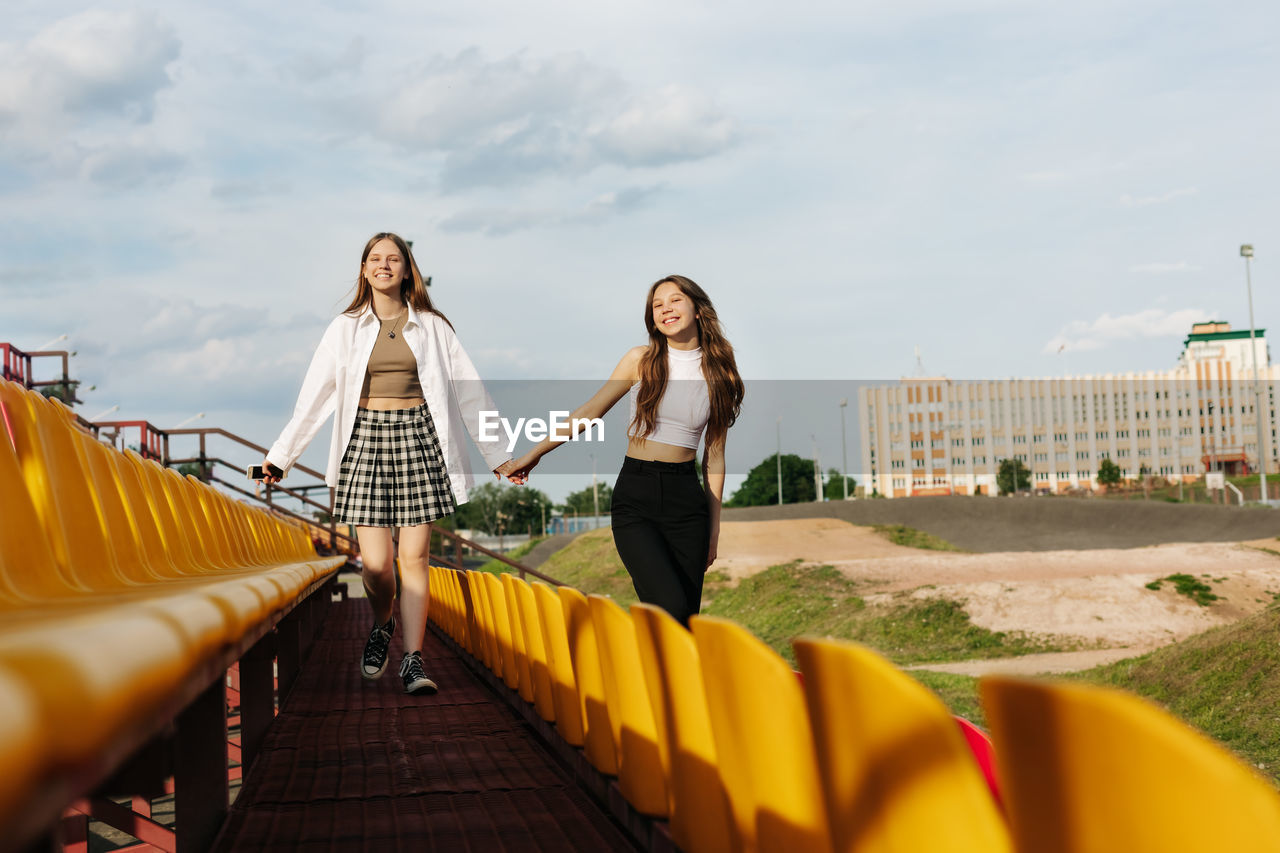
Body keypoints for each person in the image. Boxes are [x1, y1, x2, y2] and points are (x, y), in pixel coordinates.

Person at [262, 232, 514, 694]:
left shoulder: (434, 326)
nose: (384, 265)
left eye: (393, 259)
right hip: (364, 439)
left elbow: (470, 391)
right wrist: (281, 457)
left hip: (420, 438)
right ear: (364, 270)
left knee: (414, 557)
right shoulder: (344, 328)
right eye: (375, 259)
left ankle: (414, 660)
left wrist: (499, 455)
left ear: (406, 269)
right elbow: (315, 396)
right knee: (377, 566)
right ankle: (383, 624)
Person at [507, 275, 743, 626]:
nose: (665, 309)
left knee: (686, 623)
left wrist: (714, 529)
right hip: (637, 497)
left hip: (687, 503)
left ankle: (666, 682)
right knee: (670, 610)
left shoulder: (719, 373)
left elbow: (715, 457)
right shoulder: (641, 360)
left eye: (675, 300)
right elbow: (591, 411)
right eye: (657, 305)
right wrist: (535, 453)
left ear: (697, 308)